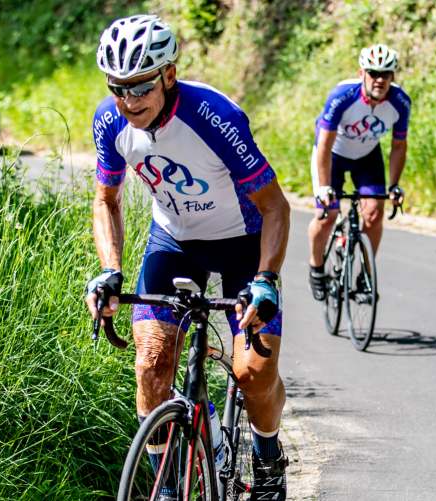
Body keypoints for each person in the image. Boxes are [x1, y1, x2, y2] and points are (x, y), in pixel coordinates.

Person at [83, 15, 291, 501]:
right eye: (118, 87)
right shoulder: (110, 120)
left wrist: (266, 279)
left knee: (251, 375)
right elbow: (106, 200)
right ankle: (171, 486)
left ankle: (267, 455)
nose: (130, 100)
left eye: (140, 86)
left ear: (168, 75)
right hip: (174, 241)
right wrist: (110, 271)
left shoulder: (213, 116)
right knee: (152, 365)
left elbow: (276, 205)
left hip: (244, 240)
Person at [306, 43, 411, 299]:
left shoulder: (400, 102)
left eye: (386, 74)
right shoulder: (342, 94)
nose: (379, 79)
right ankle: (316, 266)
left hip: (367, 156)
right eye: (373, 73)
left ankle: (364, 276)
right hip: (333, 154)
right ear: (362, 72)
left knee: (374, 215)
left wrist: (394, 185)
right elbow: (324, 143)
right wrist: (323, 188)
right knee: (327, 216)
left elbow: (398, 145)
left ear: (393, 77)